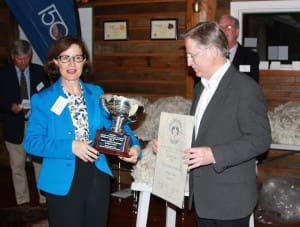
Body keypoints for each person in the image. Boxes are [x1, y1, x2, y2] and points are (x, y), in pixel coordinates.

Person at [153, 22, 271, 227]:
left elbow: (260, 140)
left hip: (231, 200)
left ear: (214, 51)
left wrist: (214, 154)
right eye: (187, 56)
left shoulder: (245, 88)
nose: (189, 63)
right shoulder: (200, 88)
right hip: (204, 197)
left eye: (192, 55)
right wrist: (169, 145)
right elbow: (200, 135)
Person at [23, 36, 141, 227]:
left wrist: (134, 146)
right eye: (65, 58)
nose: (71, 64)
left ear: (84, 61)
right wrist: (71, 146)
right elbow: (32, 142)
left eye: (77, 58)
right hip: (61, 179)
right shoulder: (43, 99)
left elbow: (118, 123)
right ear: (55, 61)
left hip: (97, 175)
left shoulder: (96, 92)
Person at [0, 40, 50, 207]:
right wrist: (10, 107)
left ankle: (44, 201)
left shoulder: (40, 71)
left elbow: (47, 96)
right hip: (14, 126)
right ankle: (23, 203)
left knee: (40, 166)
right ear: (13, 57)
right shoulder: (3, 74)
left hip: (37, 126)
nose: (23, 62)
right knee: (18, 167)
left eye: (26, 58)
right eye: (19, 59)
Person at [218, 14, 260, 82]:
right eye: (220, 28)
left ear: (237, 32)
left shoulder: (251, 56)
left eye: (228, 27)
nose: (223, 31)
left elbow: (252, 84)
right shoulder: (212, 55)